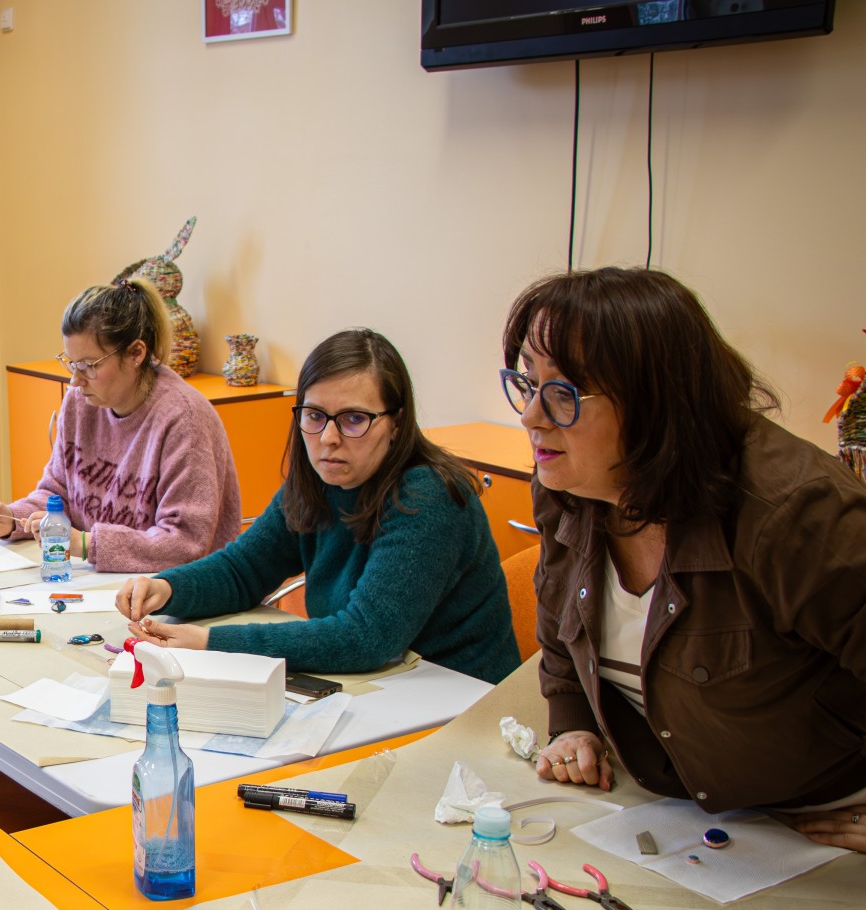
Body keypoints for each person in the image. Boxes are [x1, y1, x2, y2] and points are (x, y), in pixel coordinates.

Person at [510, 268, 866, 841]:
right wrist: (573, 723)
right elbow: (559, 628)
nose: (531, 417)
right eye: (528, 383)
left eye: (564, 394)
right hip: (682, 813)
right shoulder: (568, 484)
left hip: (822, 821)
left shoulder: (796, 513)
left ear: (655, 402)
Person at [116, 328, 521, 684]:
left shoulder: (428, 496)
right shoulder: (317, 482)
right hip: (386, 688)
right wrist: (167, 587)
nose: (328, 438)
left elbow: (366, 637)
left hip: (460, 702)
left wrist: (211, 643)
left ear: (396, 424)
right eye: (314, 416)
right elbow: (244, 570)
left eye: (354, 419)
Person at [0, 278, 243, 572]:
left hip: (177, 588)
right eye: (71, 363)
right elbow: (58, 492)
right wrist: (12, 519)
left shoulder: (184, 419)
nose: (75, 380)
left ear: (136, 353)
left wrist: (87, 544)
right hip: (103, 581)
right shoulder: (80, 400)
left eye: (89, 365)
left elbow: (185, 543)